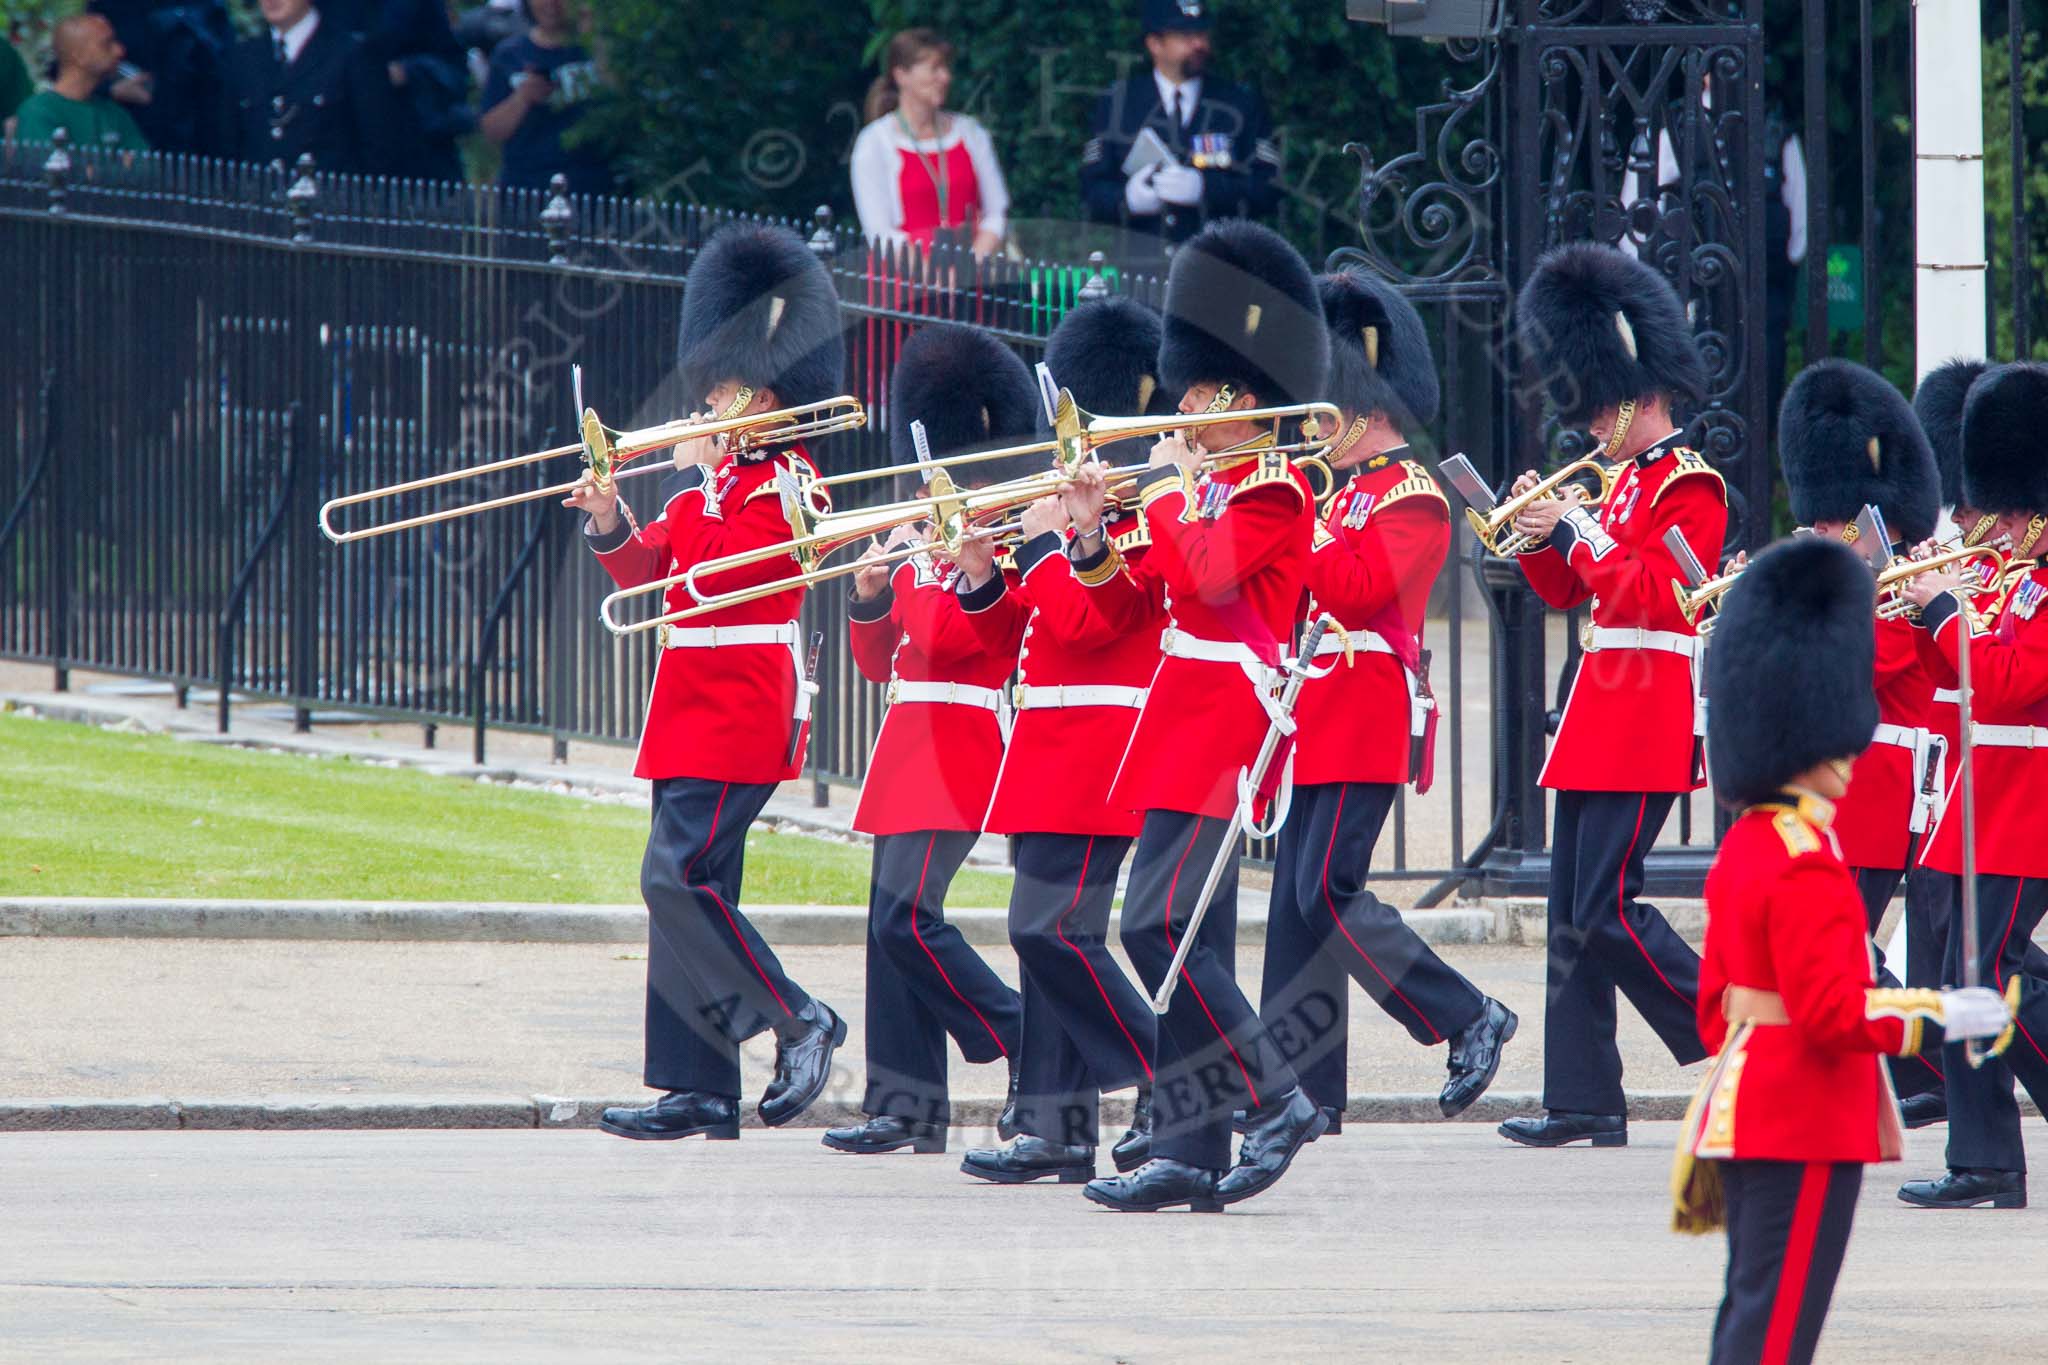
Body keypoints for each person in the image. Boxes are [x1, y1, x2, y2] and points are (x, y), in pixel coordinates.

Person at [1674, 534, 2011, 1365]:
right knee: (1778, 1331)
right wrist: (1942, 1013)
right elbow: (1833, 1012)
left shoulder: (1748, 846)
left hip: (1746, 1104)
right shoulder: (1805, 859)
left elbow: (1714, 1009)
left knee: (1749, 1317)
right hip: (1806, 1118)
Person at [1062, 219, 1331, 1213]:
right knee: (1181, 937)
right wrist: (1091, 531)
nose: (1177, 406)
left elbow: (1213, 577)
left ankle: (1276, 1099)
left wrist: (1171, 492)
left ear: (1240, 398)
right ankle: (1187, 1144)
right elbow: (1122, 603)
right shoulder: (1208, 489)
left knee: (1158, 926)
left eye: (1195, 391)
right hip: (1176, 713)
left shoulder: (1275, 489)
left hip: (1224, 715)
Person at [564, 223, 849, 1142]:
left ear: (770, 400)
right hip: (687, 705)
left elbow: (745, 576)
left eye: (725, 394)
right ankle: (698, 1087)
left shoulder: (794, 484)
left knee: (673, 879)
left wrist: (712, 477)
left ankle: (799, 1016)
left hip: (742, 704)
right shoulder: (698, 494)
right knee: (695, 889)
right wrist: (611, 517)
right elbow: (647, 572)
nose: (708, 408)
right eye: (710, 392)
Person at [1253, 265, 1517, 1133]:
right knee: (1296, 905)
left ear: (1363, 411)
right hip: (1312, 713)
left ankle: (1466, 1012)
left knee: (1328, 890)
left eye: (1325, 411)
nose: (1310, 429)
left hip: (1364, 710)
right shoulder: (1344, 492)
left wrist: (1297, 523)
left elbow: (1360, 591)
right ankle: (1303, 1091)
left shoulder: (1414, 497)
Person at [1495, 242, 1725, 1150]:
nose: (1589, 426)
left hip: (1648, 708)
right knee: (1568, 916)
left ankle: (1726, 1027)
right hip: (1598, 708)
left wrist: (1579, 528)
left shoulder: (1690, 484)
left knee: (1608, 905)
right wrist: (1537, 538)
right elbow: (1574, 594)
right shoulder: (1619, 481)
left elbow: (1661, 594)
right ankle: (1583, 1096)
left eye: (1599, 408)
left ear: (1639, 393)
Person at [954, 297, 1174, 1185]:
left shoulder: (1152, 513)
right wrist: (980, 577)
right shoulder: (1082, 514)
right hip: (1046, 742)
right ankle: (1053, 1124)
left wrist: (1051, 548)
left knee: (1055, 930)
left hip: (1101, 743)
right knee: (1040, 939)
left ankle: (1176, 1074)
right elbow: (1019, 635)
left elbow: (1091, 621)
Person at [820, 323, 1038, 1157]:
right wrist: (874, 592)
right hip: (910, 733)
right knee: (887, 921)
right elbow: (884, 660)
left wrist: (940, 564)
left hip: (964, 736)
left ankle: (1022, 1035)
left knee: (910, 920)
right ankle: (906, 1105)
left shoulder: (1005, 536)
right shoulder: (927, 528)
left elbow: (961, 643)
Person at [1894, 360, 2048, 1209]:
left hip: (2029, 803)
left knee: (1987, 979)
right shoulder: (2013, 577)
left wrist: (1948, 611)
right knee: (1970, 982)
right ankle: (1984, 1157)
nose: (2006, 520)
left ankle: (1988, 1158)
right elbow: (1952, 683)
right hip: (1982, 798)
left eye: (2016, 506)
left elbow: (2011, 681)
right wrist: (1921, 614)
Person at [1774, 359, 1941, 937]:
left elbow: (1848, 668)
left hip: (1877, 797)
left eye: (1828, 517)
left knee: (1842, 952)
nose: (1817, 526)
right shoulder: (1851, 581)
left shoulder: (1901, 586)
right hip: (1832, 791)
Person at [1079, 0, 1279, 257]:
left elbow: (1268, 187)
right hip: (1141, 269)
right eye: (1186, 35)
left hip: (1217, 267)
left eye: (1202, 33)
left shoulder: (1239, 104)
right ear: (1155, 44)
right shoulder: (1119, 103)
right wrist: (1127, 199)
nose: (1199, 44)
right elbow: (1091, 190)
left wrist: (1204, 189)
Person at [849, 28, 1008, 257]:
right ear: (901, 75)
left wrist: (970, 267)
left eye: (945, 67)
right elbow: (880, 233)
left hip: (973, 277)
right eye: (935, 68)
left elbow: (996, 212)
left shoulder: (970, 132)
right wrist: (937, 277)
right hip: (906, 281)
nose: (946, 77)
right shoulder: (874, 143)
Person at [218, 0, 391, 174]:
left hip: (328, 196)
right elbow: (227, 148)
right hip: (257, 195)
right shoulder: (242, 57)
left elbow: (379, 149)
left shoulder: (352, 54)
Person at [479, 0, 611, 196]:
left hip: (593, 185)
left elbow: (622, 98)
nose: (551, 3)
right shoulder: (509, 54)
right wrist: (522, 98)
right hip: (525, 189)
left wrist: (594, 38)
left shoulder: (594, 49)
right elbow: (490, 131)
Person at [10, 14, 149, 152]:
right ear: (79, 55)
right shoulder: (39, 112)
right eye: (106, 44)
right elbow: (50, 171)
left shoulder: (115, 113)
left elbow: (144, 166)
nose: (120, 51)